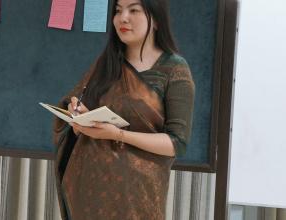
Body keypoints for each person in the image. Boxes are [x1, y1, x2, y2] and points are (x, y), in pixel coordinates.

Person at [52, 0, 195, 219]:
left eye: (134, 10)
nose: (123, 18)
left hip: (137, 197)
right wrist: (77, 118)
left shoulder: (174, 70)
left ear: (156, 19)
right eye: (118, 10)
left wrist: (118, 134)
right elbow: (73, 124)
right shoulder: (106, 64)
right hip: (89, 190)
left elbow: (176, 144)